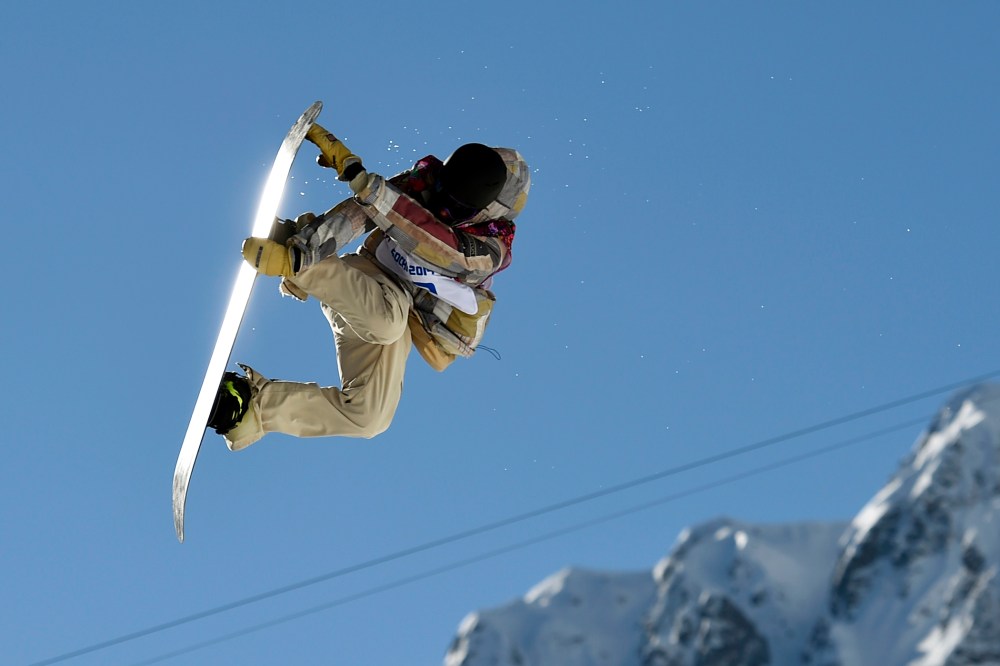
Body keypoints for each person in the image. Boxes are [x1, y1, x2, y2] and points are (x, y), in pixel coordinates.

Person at [205, 122, 530, 451]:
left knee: (370, 417)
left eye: (456, 207)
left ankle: (250, 406)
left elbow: (440, 246)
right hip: (366, 279)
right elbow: (362, 213)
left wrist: (367, 185)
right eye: (443, 192)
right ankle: (303, 258)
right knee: (386, 322)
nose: (443, 206)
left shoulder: (490, 247)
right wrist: (302, 252)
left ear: (482, 211)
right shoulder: (426, 183)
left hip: (405, 316)